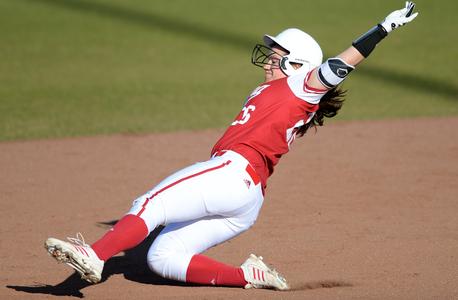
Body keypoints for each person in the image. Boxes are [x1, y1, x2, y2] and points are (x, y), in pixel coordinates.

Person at [44, 2, 418, 291]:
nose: (269, 58)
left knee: (150, 203)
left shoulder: (302, 85)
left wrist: (383, 28)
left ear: (297, 63)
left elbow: (340, 65)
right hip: (246, 200)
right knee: (163, 256)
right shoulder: (277, 89)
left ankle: (94, 254)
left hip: (232, 172)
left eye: (277, 54)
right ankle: (249, 275)